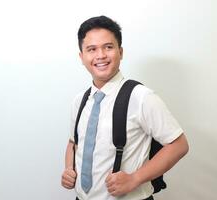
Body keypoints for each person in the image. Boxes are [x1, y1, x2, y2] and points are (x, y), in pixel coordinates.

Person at [61, 15, 189, 200]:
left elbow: (179, 145)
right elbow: (74, 142)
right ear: (82, 57)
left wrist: (135, 179)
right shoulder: (80, 100)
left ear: (120, 52)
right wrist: (68, 168)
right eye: (92, 49)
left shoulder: (141, 97)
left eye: (108, 47)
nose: (101, 55)